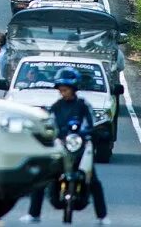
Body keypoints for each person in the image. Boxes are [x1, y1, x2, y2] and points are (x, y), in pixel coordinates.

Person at [20, 67, 109, 224]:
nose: (63, 92)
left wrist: (90, 133)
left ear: (74, 89)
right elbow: (50, 124)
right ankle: (34, 214)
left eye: (66, 89)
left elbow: (91, 124)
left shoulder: (83, 106)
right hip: (61, 147)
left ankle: (102, 216)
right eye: (61, 90)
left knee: (94, 181)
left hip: (81, 147)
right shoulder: (56, 106)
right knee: (42, 177)